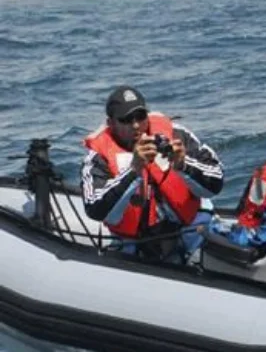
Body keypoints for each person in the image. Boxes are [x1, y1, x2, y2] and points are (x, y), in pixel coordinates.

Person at [82, 85, 224, 262]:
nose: (135, 126)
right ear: (111, 123)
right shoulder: (98, 156)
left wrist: (183, 164)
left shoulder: (176, 134)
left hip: (191, 232)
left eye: (140, 117)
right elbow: (95, 209)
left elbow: (216, 182)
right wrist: (134, 171)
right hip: (138, 244)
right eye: (126, 120)